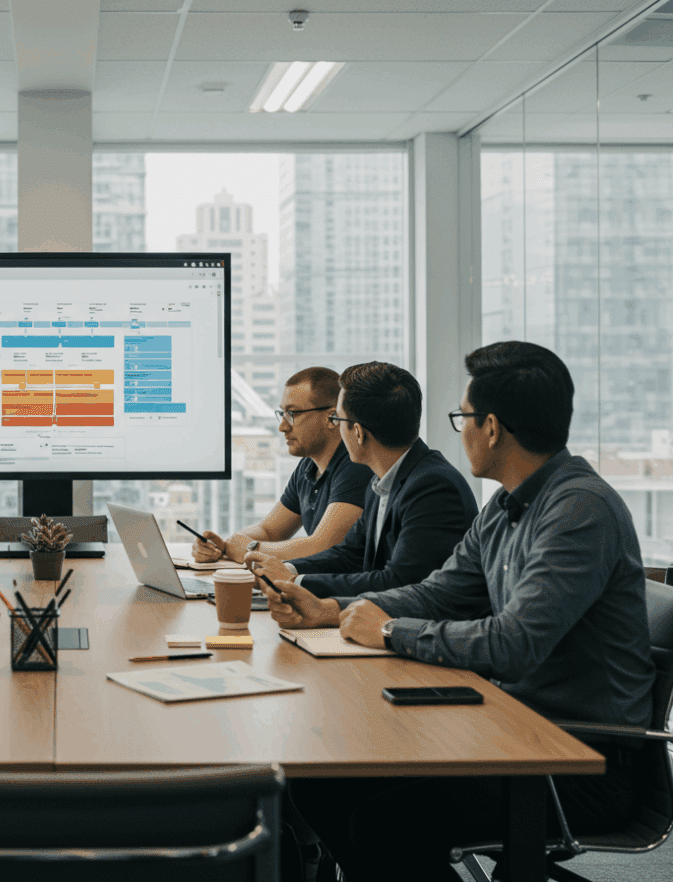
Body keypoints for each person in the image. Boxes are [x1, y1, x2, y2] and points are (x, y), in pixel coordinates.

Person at [265, 342, 654, 882]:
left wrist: (391, 631)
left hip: (573, 757)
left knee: (384, 826)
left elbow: (513, 644)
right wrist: (332, 609)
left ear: (491, 427)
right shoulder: (506, 504)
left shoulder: (578, 511)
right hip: (509, 727)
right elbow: (438, 590)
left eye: (463, 417)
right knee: (317, 784)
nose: (460, 431)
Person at [248, 362, 478, 598]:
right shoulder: (381, 481)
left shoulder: (432, 488)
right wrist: (287, 571)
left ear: (357, 432)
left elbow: (399, 581)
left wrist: (297, 582)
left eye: (339, 420)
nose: (336, 428)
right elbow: (350, 554)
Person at [192, 367, 370, 564]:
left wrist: (250, 549)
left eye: (292, 413)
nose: (282, 426)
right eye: (283, 414)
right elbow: (269, 530)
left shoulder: (356, 466)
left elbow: (322, 547)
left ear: (331, 418)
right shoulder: (307, 467)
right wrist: (225, 545)